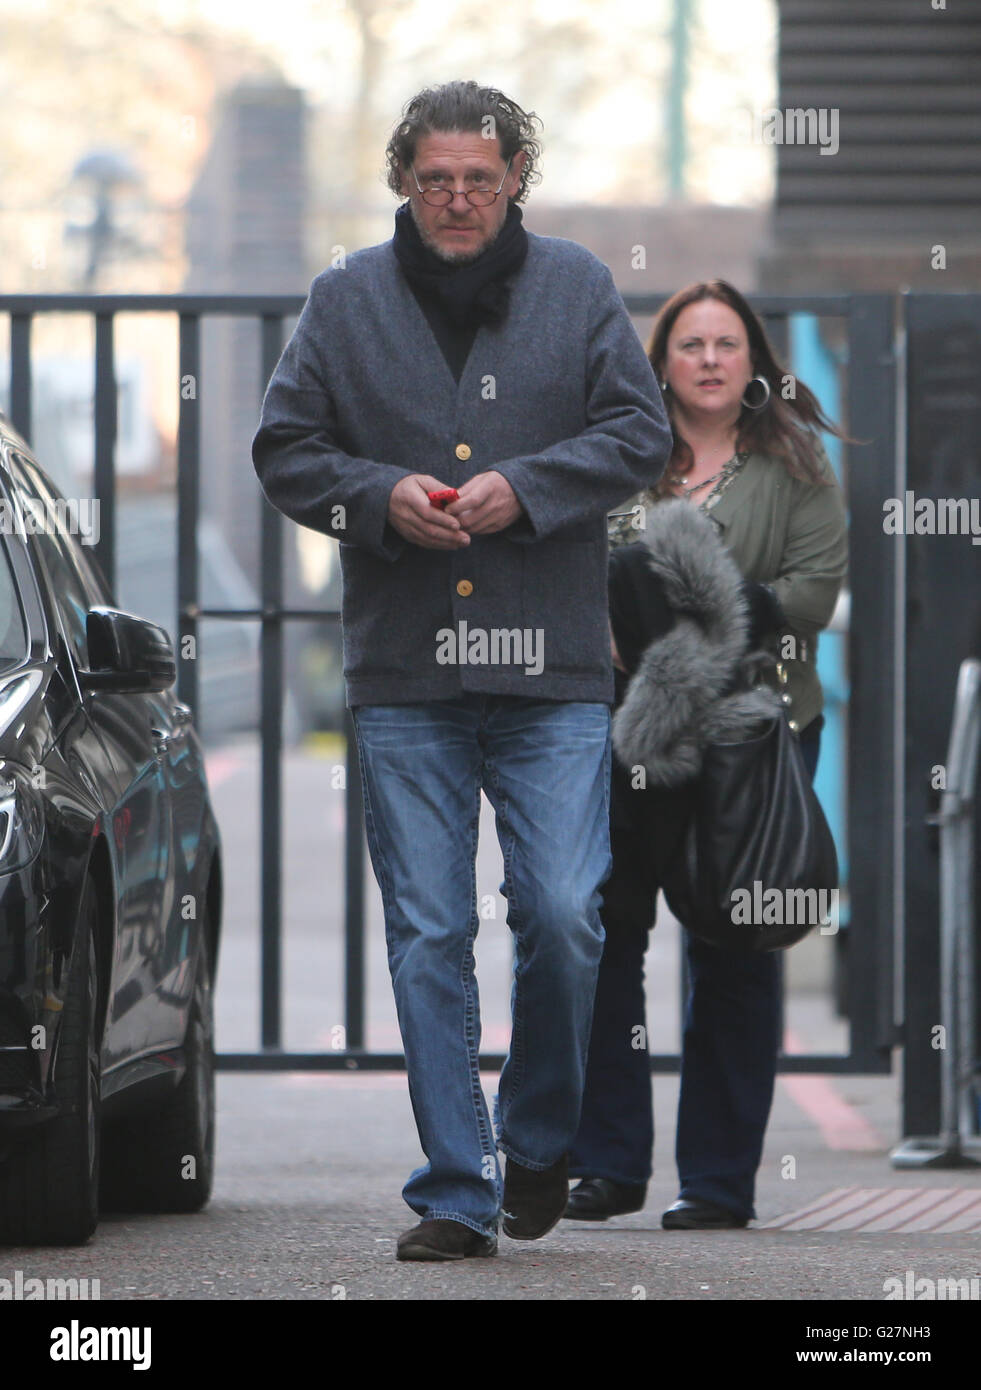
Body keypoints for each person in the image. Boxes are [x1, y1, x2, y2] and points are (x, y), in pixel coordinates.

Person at [251, 80, 672, 1261]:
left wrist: (529, 489)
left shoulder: (579, 287)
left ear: (515, 180)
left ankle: (536, 1141)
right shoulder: (342, 300)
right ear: (403, 178)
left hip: (552, 673)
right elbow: (285, 447)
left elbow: (639, 433)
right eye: (436, 177)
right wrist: (377, 496)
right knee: (429, 929)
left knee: (563, 916)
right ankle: (455, 1185)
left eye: (480, 179)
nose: (457, 198)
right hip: (407, 676)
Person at [564, 279, 849, 1230]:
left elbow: (810, 597)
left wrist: (689, 616)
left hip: (755, 736)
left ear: (755, 363)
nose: (712, 360)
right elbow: (578, 579)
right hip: (623, 733)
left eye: (728, 344)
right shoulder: (620, 459)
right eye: (692, 345)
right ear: (662, 363)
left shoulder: (796, 464)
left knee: (735, 949)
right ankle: (606, 1163)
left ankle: (718, 1182)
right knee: (603, 939)